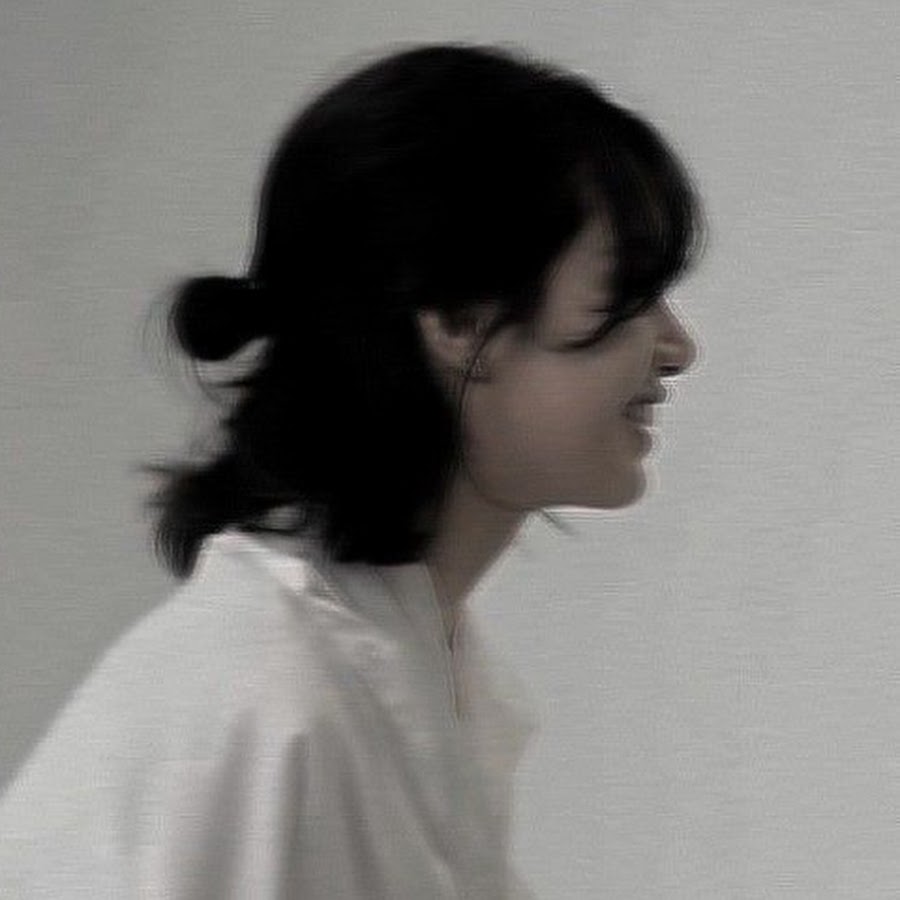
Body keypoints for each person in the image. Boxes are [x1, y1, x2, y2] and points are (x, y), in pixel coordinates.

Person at [0, 42, 701, 898]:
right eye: (631, 293)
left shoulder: (421, 678)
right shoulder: (269, 696)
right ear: (456, 317)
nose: (679, 348)